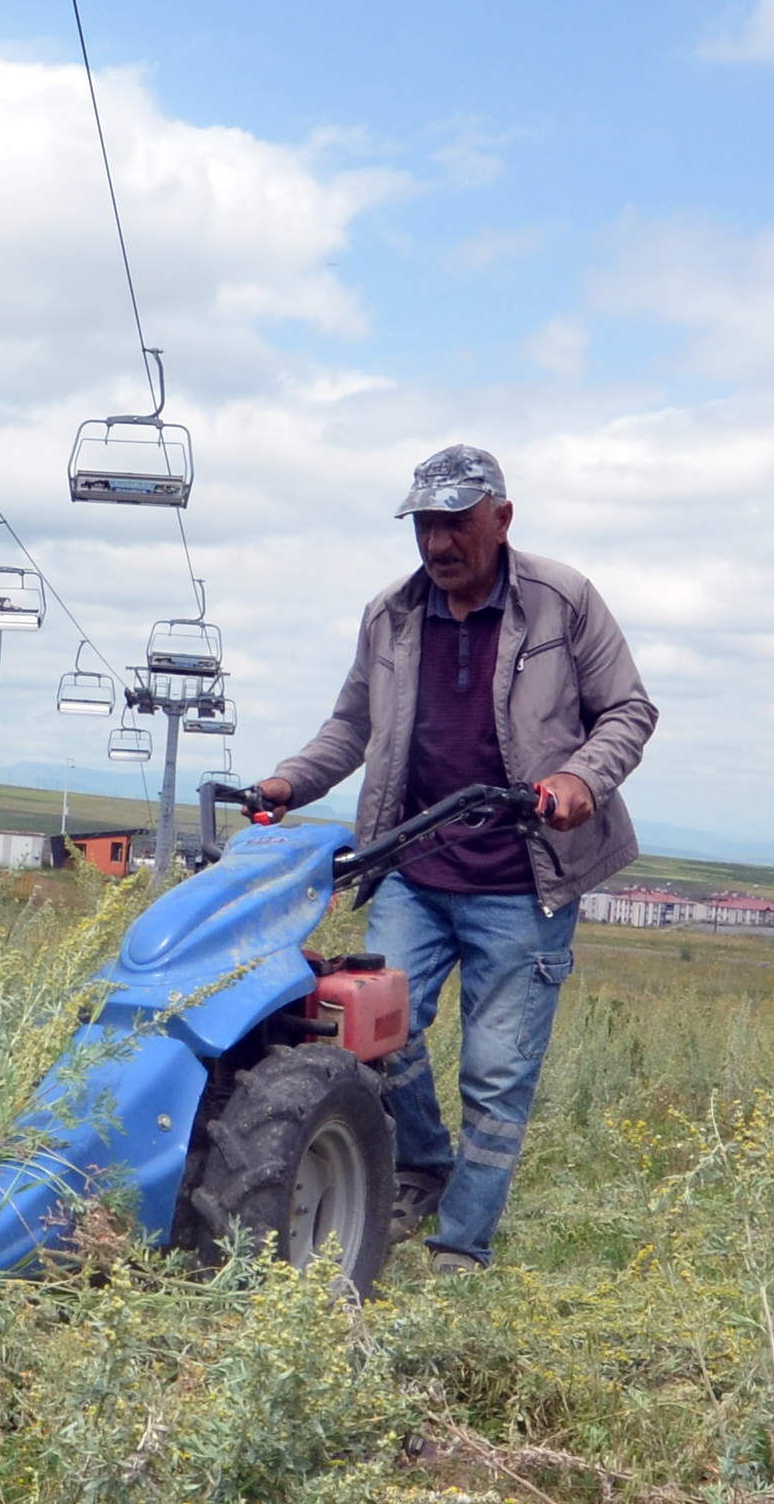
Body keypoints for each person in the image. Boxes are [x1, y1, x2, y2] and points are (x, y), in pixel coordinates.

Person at [244, 445, 658, 1269]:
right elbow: (351, 728)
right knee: (374, 1034)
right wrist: (292, 780)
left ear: (501, 519)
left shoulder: (562, 601)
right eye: (425, 526)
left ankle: (461, 1248)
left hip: (524, 879)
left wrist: (582, 777)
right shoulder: (389, 616)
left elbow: (628, 711)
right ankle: (424, 1166)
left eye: (455, 525)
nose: (437, 545)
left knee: (496, 1076)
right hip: (415, 869)